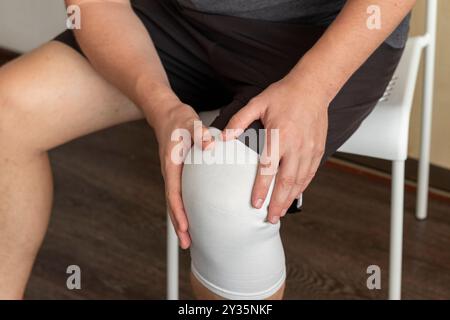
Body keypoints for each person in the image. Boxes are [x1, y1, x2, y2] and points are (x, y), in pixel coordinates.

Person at [0, 0, 415, 299]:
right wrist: (160, 105)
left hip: (326, 31)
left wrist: (312, 87)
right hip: (176, 21)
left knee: (225, 196)